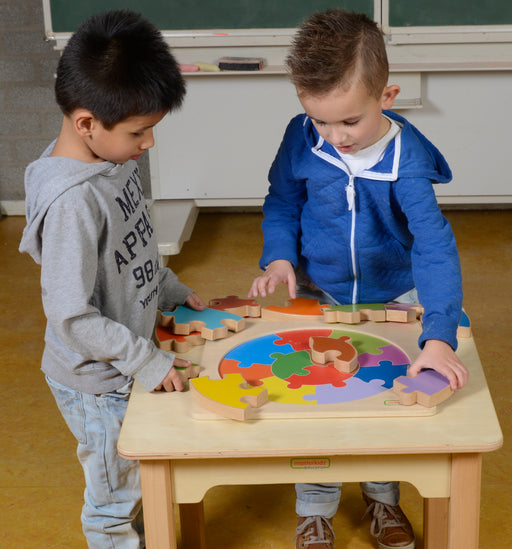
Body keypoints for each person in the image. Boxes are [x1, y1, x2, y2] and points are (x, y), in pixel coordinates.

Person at [249, 9, 469, 549]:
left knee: (386, 400)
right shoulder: (302, 138)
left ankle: (382, 497)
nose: (334, 136)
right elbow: (282, 201)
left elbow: (436, 248)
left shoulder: (407, 163)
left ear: (386, 96)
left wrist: (438, 336)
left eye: (350, 121)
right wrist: (279, 257)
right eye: (320, 120)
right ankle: (315, 506)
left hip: (393, 294)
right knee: (316, 396)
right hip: (321, 291)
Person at [19, 10, 205, 548]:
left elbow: (129, 248)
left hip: (125, 359)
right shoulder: (74, 202)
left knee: (136, 477)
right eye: (139, 132)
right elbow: (72, 315)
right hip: (98, 383)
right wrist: (146, 360)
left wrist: (168, 288)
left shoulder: (112, 160)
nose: (148, 144)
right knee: (112, 502)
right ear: (85, 124)